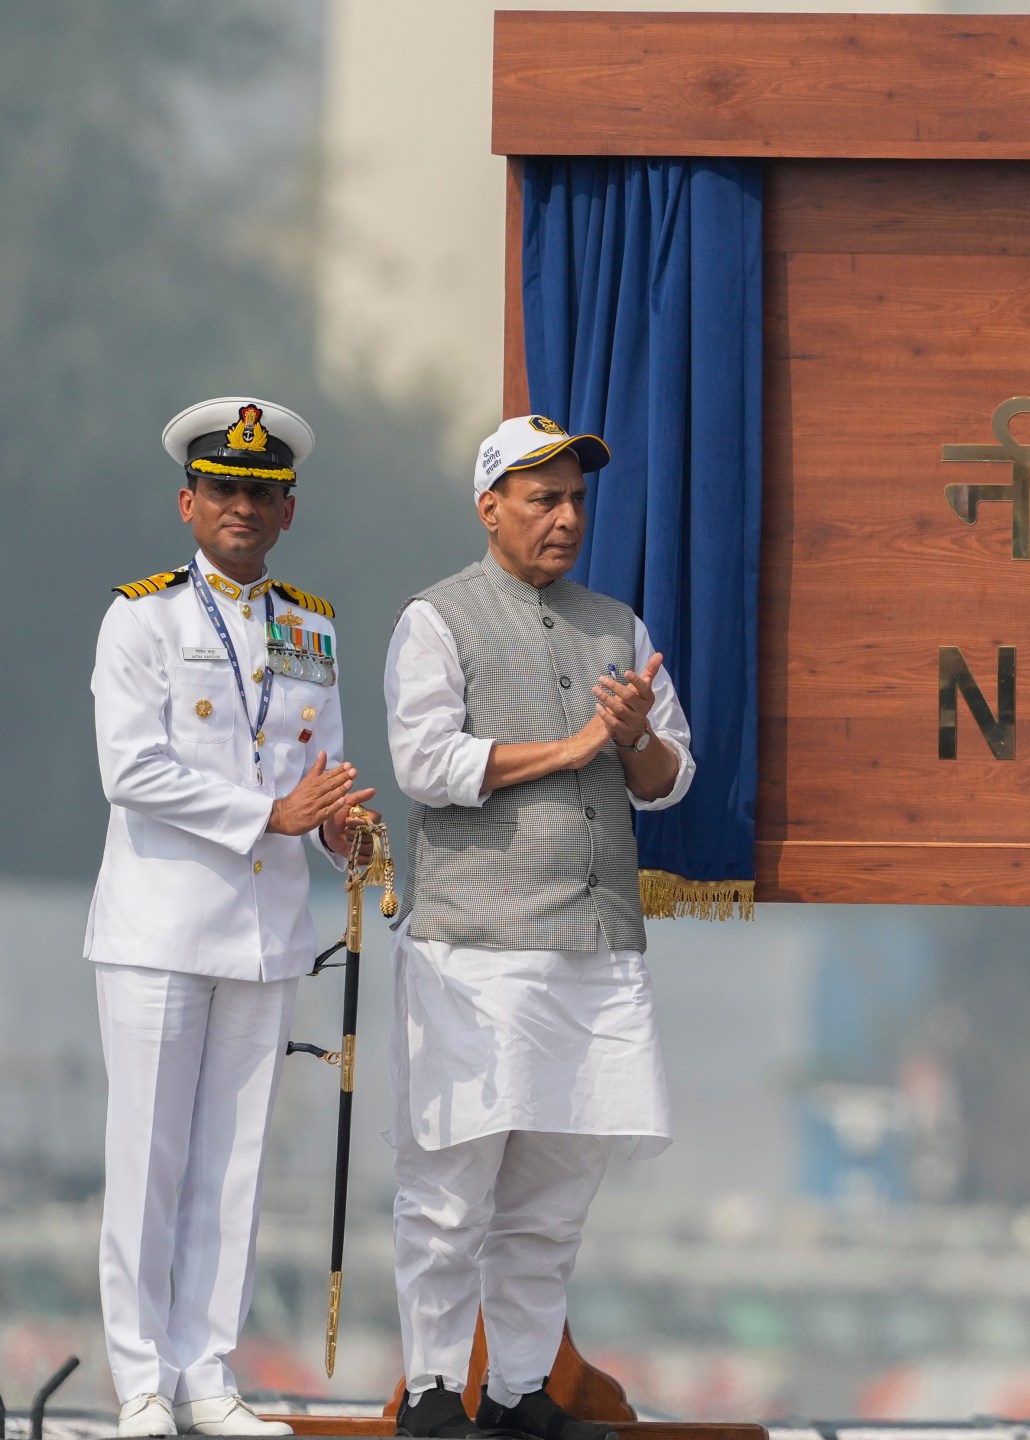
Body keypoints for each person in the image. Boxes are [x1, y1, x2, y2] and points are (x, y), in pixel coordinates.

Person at [383, 416, 692, 1440]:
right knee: (451, 1182)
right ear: (490, 508)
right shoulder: (438, 619)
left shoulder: (620, 627)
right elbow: (425, 765)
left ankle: (520, 1392)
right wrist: (569, 748)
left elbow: (666, 780)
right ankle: (433, 1386)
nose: (564, 518)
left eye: (574, 501)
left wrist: (635, 737)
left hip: (592, 948)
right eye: (541, 499)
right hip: (477, 945)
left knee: (553, 1199)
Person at [89, 398, 374, 1438]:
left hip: (263, 927)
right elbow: (132, 770)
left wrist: (338, 828)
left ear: (287, 511)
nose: (241, 507)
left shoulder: (310, 624)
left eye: (261, 492)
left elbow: (321, 773)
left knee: (237, 1162)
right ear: (187, 503)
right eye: (223, 489)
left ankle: (206, 1371)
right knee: (151, 1157)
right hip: (160, 926)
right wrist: (272, 814)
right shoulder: (142, 616)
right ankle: (141, 1381)